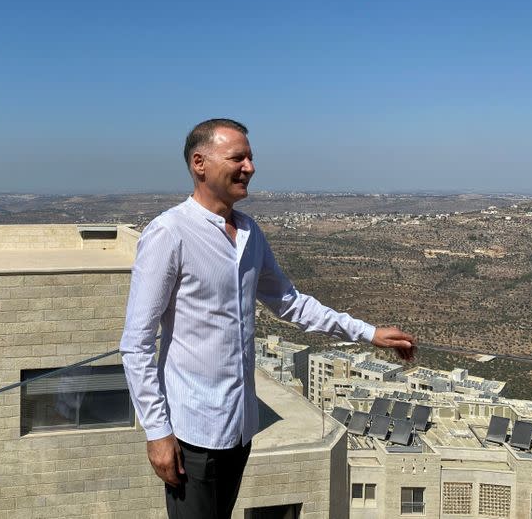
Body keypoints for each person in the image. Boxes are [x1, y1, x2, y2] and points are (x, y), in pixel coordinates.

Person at [120, 118, 415, 518]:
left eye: (251, 158)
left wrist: (368, 332)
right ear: (199, 163)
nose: (250, 167)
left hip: (240, 428)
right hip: (192, 433)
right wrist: (157, 433)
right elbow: (136, 344)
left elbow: (290, 302)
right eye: (237, 157)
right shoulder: (169, 233)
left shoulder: (249, 233)